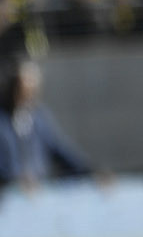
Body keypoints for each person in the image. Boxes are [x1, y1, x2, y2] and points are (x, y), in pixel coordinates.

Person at [0, 58, 105, 192]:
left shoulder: (38, 118)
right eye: (21, 89)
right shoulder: (2, 120)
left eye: (31, 90)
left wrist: (90, 172)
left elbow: (59, 149)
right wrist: (13, 179)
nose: (26, 95)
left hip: (38, 195)